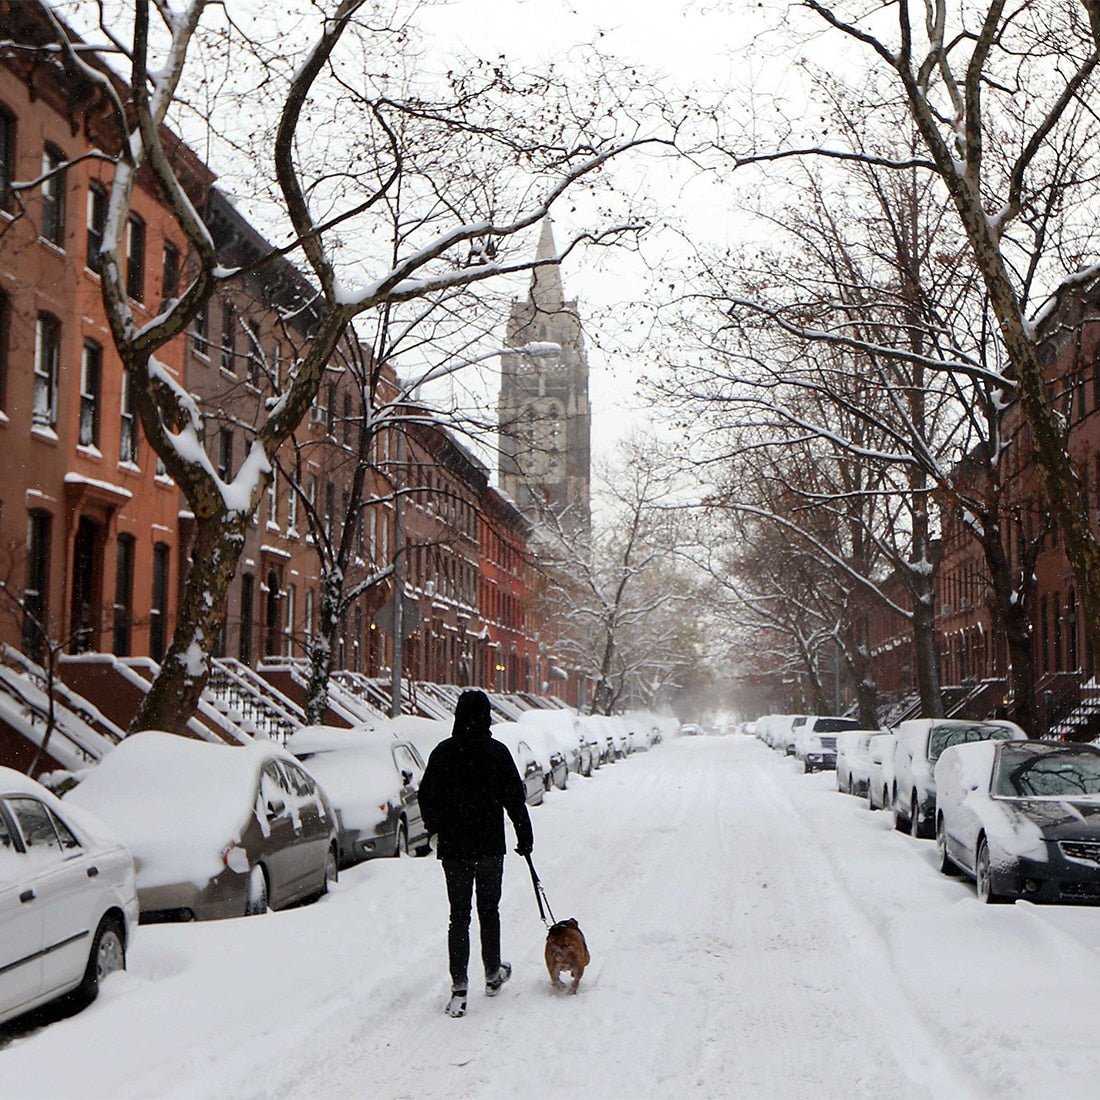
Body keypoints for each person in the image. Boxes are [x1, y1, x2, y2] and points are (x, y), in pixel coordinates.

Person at [418, 688, 534, 1018]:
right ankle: (493, 973)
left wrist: (436, 827)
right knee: (488, 911)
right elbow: (514, 798)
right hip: (488, 846)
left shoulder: (444, 753)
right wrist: (524, 836)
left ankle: (459, 987)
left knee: (459, 917)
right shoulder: (496, 752)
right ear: (486, 716)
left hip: (454, 848)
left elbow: (426, 795)